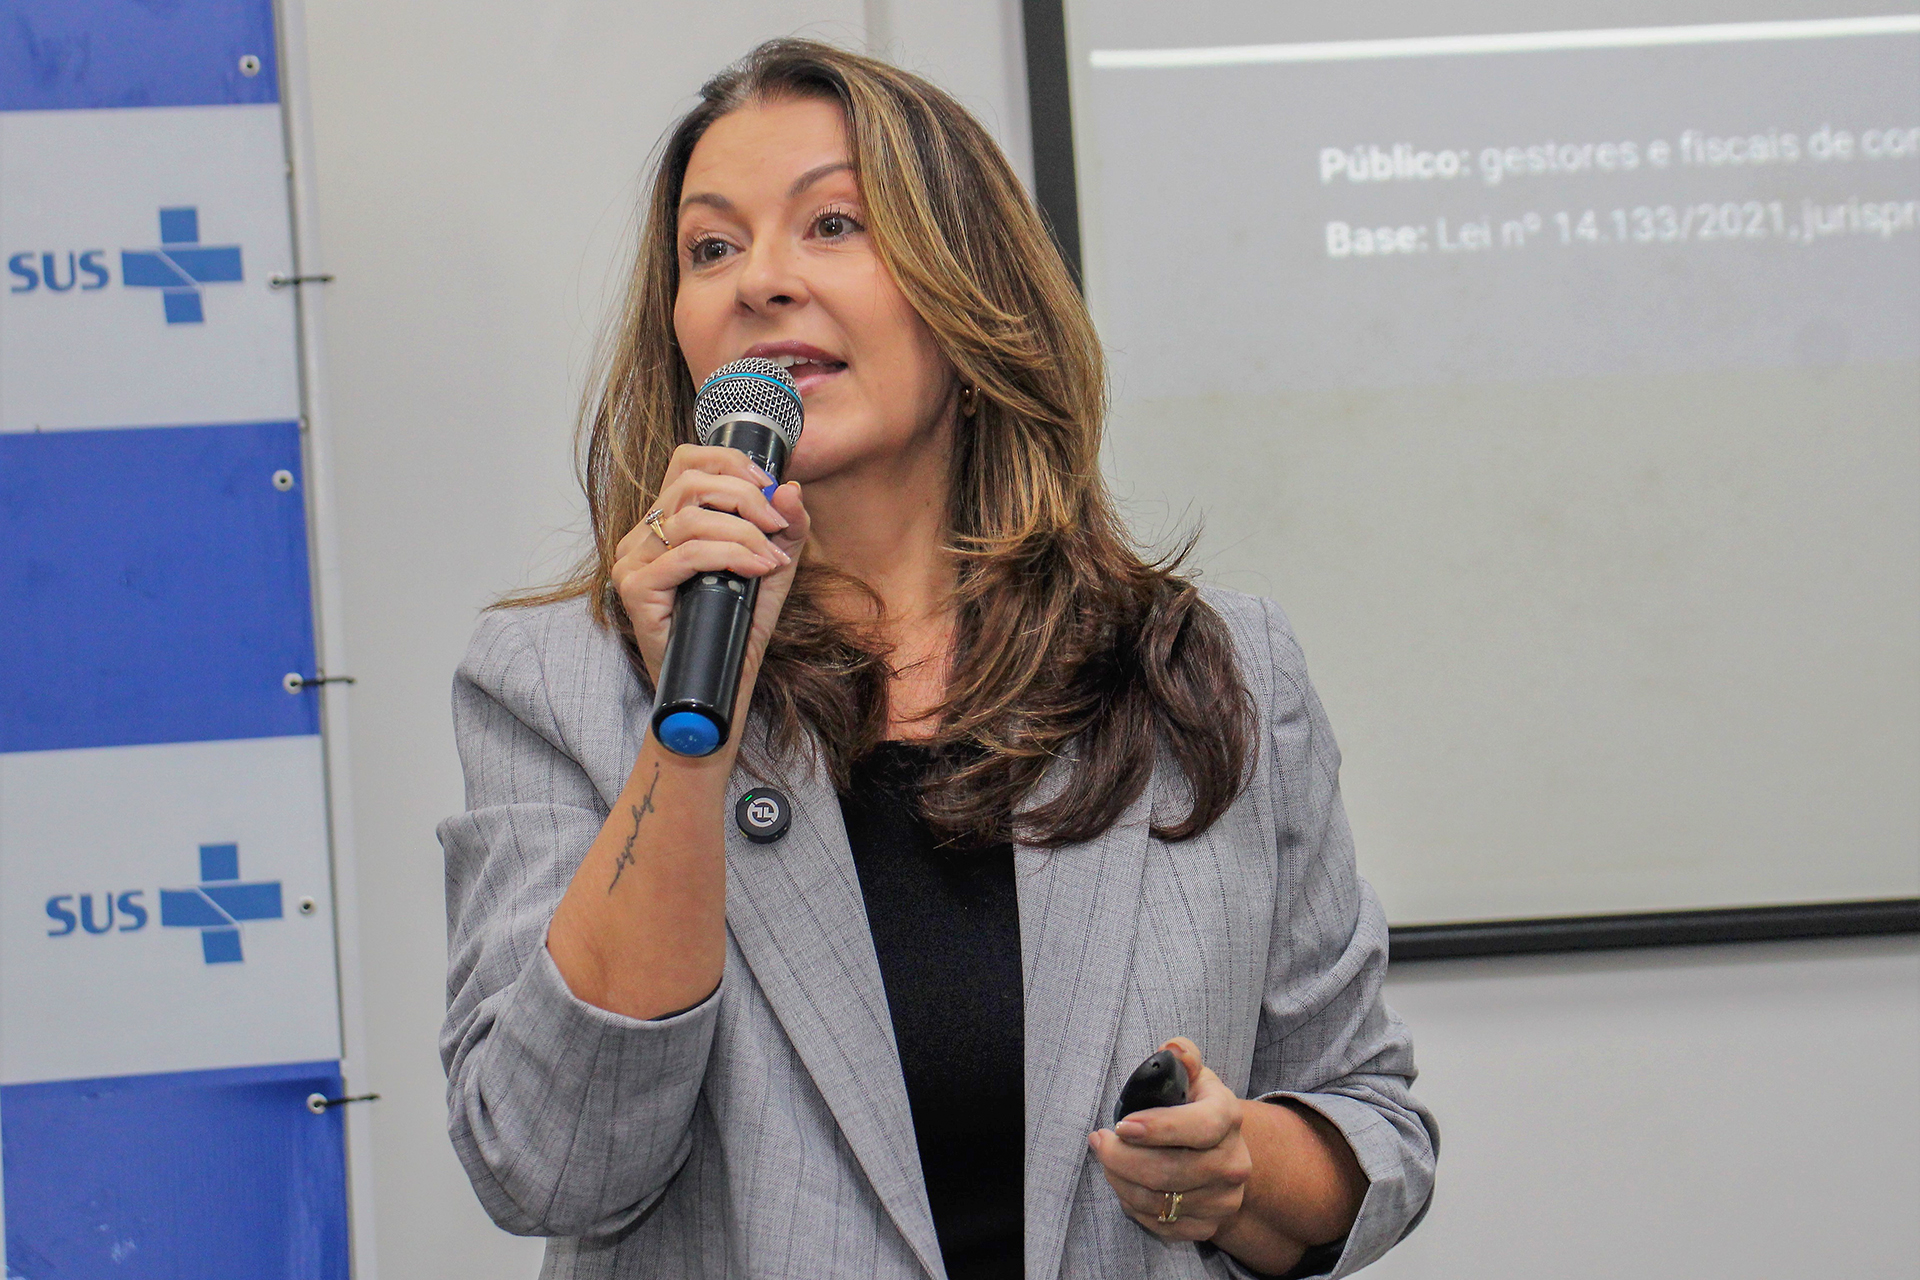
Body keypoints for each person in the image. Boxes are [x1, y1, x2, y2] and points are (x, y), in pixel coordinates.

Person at [439, 38, 1435, 1280]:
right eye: (711, 246)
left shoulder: (1204, 670)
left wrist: (1237, 1167)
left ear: (970, 293)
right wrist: (691, 735)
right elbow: (549, 1163)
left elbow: (1368, 1123)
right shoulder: (556, 683)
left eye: (833, 224)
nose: (762, 280)